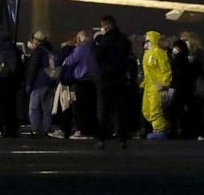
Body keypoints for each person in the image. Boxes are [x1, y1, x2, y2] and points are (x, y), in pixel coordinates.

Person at [94, 15, 135, 149]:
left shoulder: (105, 41)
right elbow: (129, 58)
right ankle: (122, 138)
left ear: (108, 25)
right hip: (121, 79)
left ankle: (102, 139)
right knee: (120, 111)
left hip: (107, 79)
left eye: (103, 25)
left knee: (104, 111)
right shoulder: (124, 39)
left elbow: (98, 57)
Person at [62, 29, 100, 139]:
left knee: (81, 109)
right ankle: (93, 130)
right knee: (92, 108)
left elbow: (69, 61)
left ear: (79, 38)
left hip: (82, 82)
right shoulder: (95, 48)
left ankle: (83, 131)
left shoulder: (80, 49)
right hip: (94, 82)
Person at [26, 31, 58, 137]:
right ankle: (46, 129)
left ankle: (36, 130)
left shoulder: (37, 51)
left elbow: (33, 68)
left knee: (34, 108)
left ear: (37, 40)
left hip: (39, 83)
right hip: (51, 82)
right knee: (47, 109)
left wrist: (29, 83)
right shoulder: (51, 51)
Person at [141, 31, 172, 139]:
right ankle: (161, 127)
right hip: (149, 85)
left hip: (157, 85)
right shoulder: (146, 54)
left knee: (155, 108)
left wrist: (164, 84)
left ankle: (160, 129)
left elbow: (165, 70)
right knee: (146, 108)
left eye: (148, 41)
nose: (146, 43)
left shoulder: (158, 53)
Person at [167, 39, 194, 138]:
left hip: (178, 88)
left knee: (173, 112)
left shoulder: (178, 59)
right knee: (184, 112)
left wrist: (171, 87)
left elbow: (176, 75)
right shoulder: (188, 59)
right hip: (187, 89)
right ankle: (185, 131)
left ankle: (173, 132)